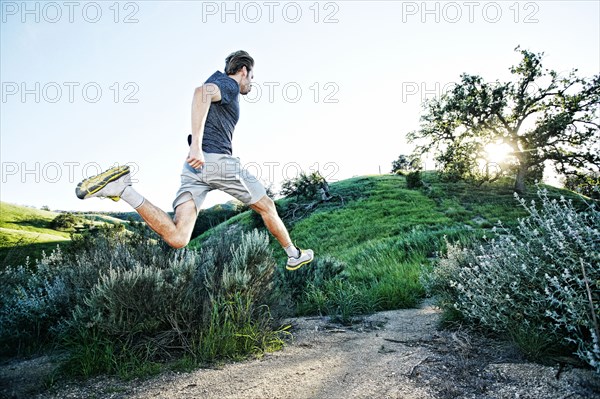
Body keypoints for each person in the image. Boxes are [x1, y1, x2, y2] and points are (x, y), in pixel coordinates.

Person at [75, 50, 314, 271]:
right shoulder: (228, 84)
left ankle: (122, 189)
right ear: (243, 70)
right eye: (251, 76)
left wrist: (196, 151)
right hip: (215, 161)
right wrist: (197, 146)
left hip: (194, 168)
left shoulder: (220, 83)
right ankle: (293, 254)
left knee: (178, 238)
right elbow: (201, 93)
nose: (251, 82)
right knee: (268, 207)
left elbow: (205, 96)